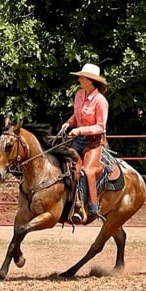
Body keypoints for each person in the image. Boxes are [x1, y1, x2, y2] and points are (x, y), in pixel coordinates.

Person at [59, 63, 109, 224]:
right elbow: (76, 116)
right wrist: (68, 123)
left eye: (82, 77)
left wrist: (80, 131)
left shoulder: (100, 101)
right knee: (66, 165)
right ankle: (72, 204)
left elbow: (101, 127)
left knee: (88, 170)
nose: (79, 79)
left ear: (90, 80)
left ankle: (92, 207)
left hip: (94, 142)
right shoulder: (79, 95)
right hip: (78, 139)